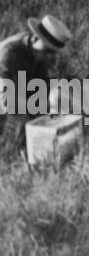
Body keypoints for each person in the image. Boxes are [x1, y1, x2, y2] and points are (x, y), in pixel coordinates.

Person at [0, 14, 71, 155]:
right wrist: (31, 127)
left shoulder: (38, 53)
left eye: (52, 53)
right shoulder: (8, 54)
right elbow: (7, 101)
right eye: (47, 51)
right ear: (35, 38)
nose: (48, 57)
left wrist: (52, 110)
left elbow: (39, 87)